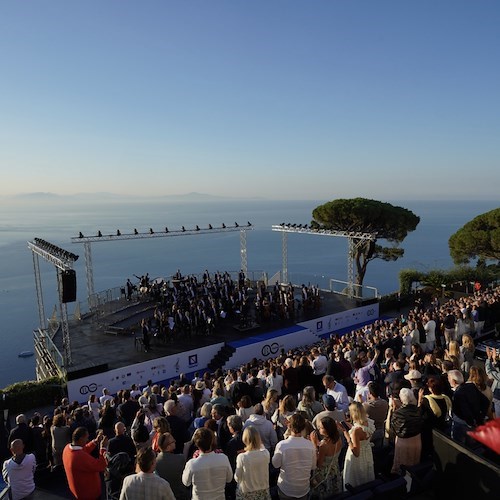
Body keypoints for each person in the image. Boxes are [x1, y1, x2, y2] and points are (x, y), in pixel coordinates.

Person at [272, 413, 317, 500]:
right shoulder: (310, 445)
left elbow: (275, 464)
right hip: (303, 489)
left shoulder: (282, 445)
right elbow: (313, 466)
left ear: (289, 426)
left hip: (286, 489)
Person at [182, 427, 233, 500]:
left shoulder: (192, 464)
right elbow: (229, 479)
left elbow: (186, 482)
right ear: (212, 441)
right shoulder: (223, 458)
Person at [62, 426, 108, 500]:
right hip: (89, 494)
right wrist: (103, 448)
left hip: (78, 491)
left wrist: (95, 441)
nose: (87, 440)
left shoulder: (67, 448)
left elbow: (84, 449)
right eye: (86, 438)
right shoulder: (79, 457)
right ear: (80, 439)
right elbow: (101, 466)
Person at [338, 402, 375, 490]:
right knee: (366, 479)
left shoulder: (355, 431)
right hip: (367, 454)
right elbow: (365, 434)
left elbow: (356, 452)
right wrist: (351, 428)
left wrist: (348, 438)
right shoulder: (368, 422)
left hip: (357, 460)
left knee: (354, 481)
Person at [390, 388, 422, 474]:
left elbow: (394, 429)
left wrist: (392, 410)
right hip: (416, 440)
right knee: (414, 461)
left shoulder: (398, 413)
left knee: (402, 464)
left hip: (403, 441)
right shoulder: (417, 410)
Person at [234, 425, 271, 500]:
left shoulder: (242, 457)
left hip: (247, 493)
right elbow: (262, 446)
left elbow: (237, 478)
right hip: (263, 492)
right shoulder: (266, 453)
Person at [309, 417, 342, 499]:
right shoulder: (338, 438)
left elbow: (318, 464)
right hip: (334, 469)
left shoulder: (324, 445)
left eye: (322, 427)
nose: (319, 429)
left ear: (328, 429)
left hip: (324, 474)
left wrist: (314, 445)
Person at [155, 432, 188, 500]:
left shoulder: (155, 462)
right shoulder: (180, 459)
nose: (175, 441)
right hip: (180, 495)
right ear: (168, 446)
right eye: (173, 441)